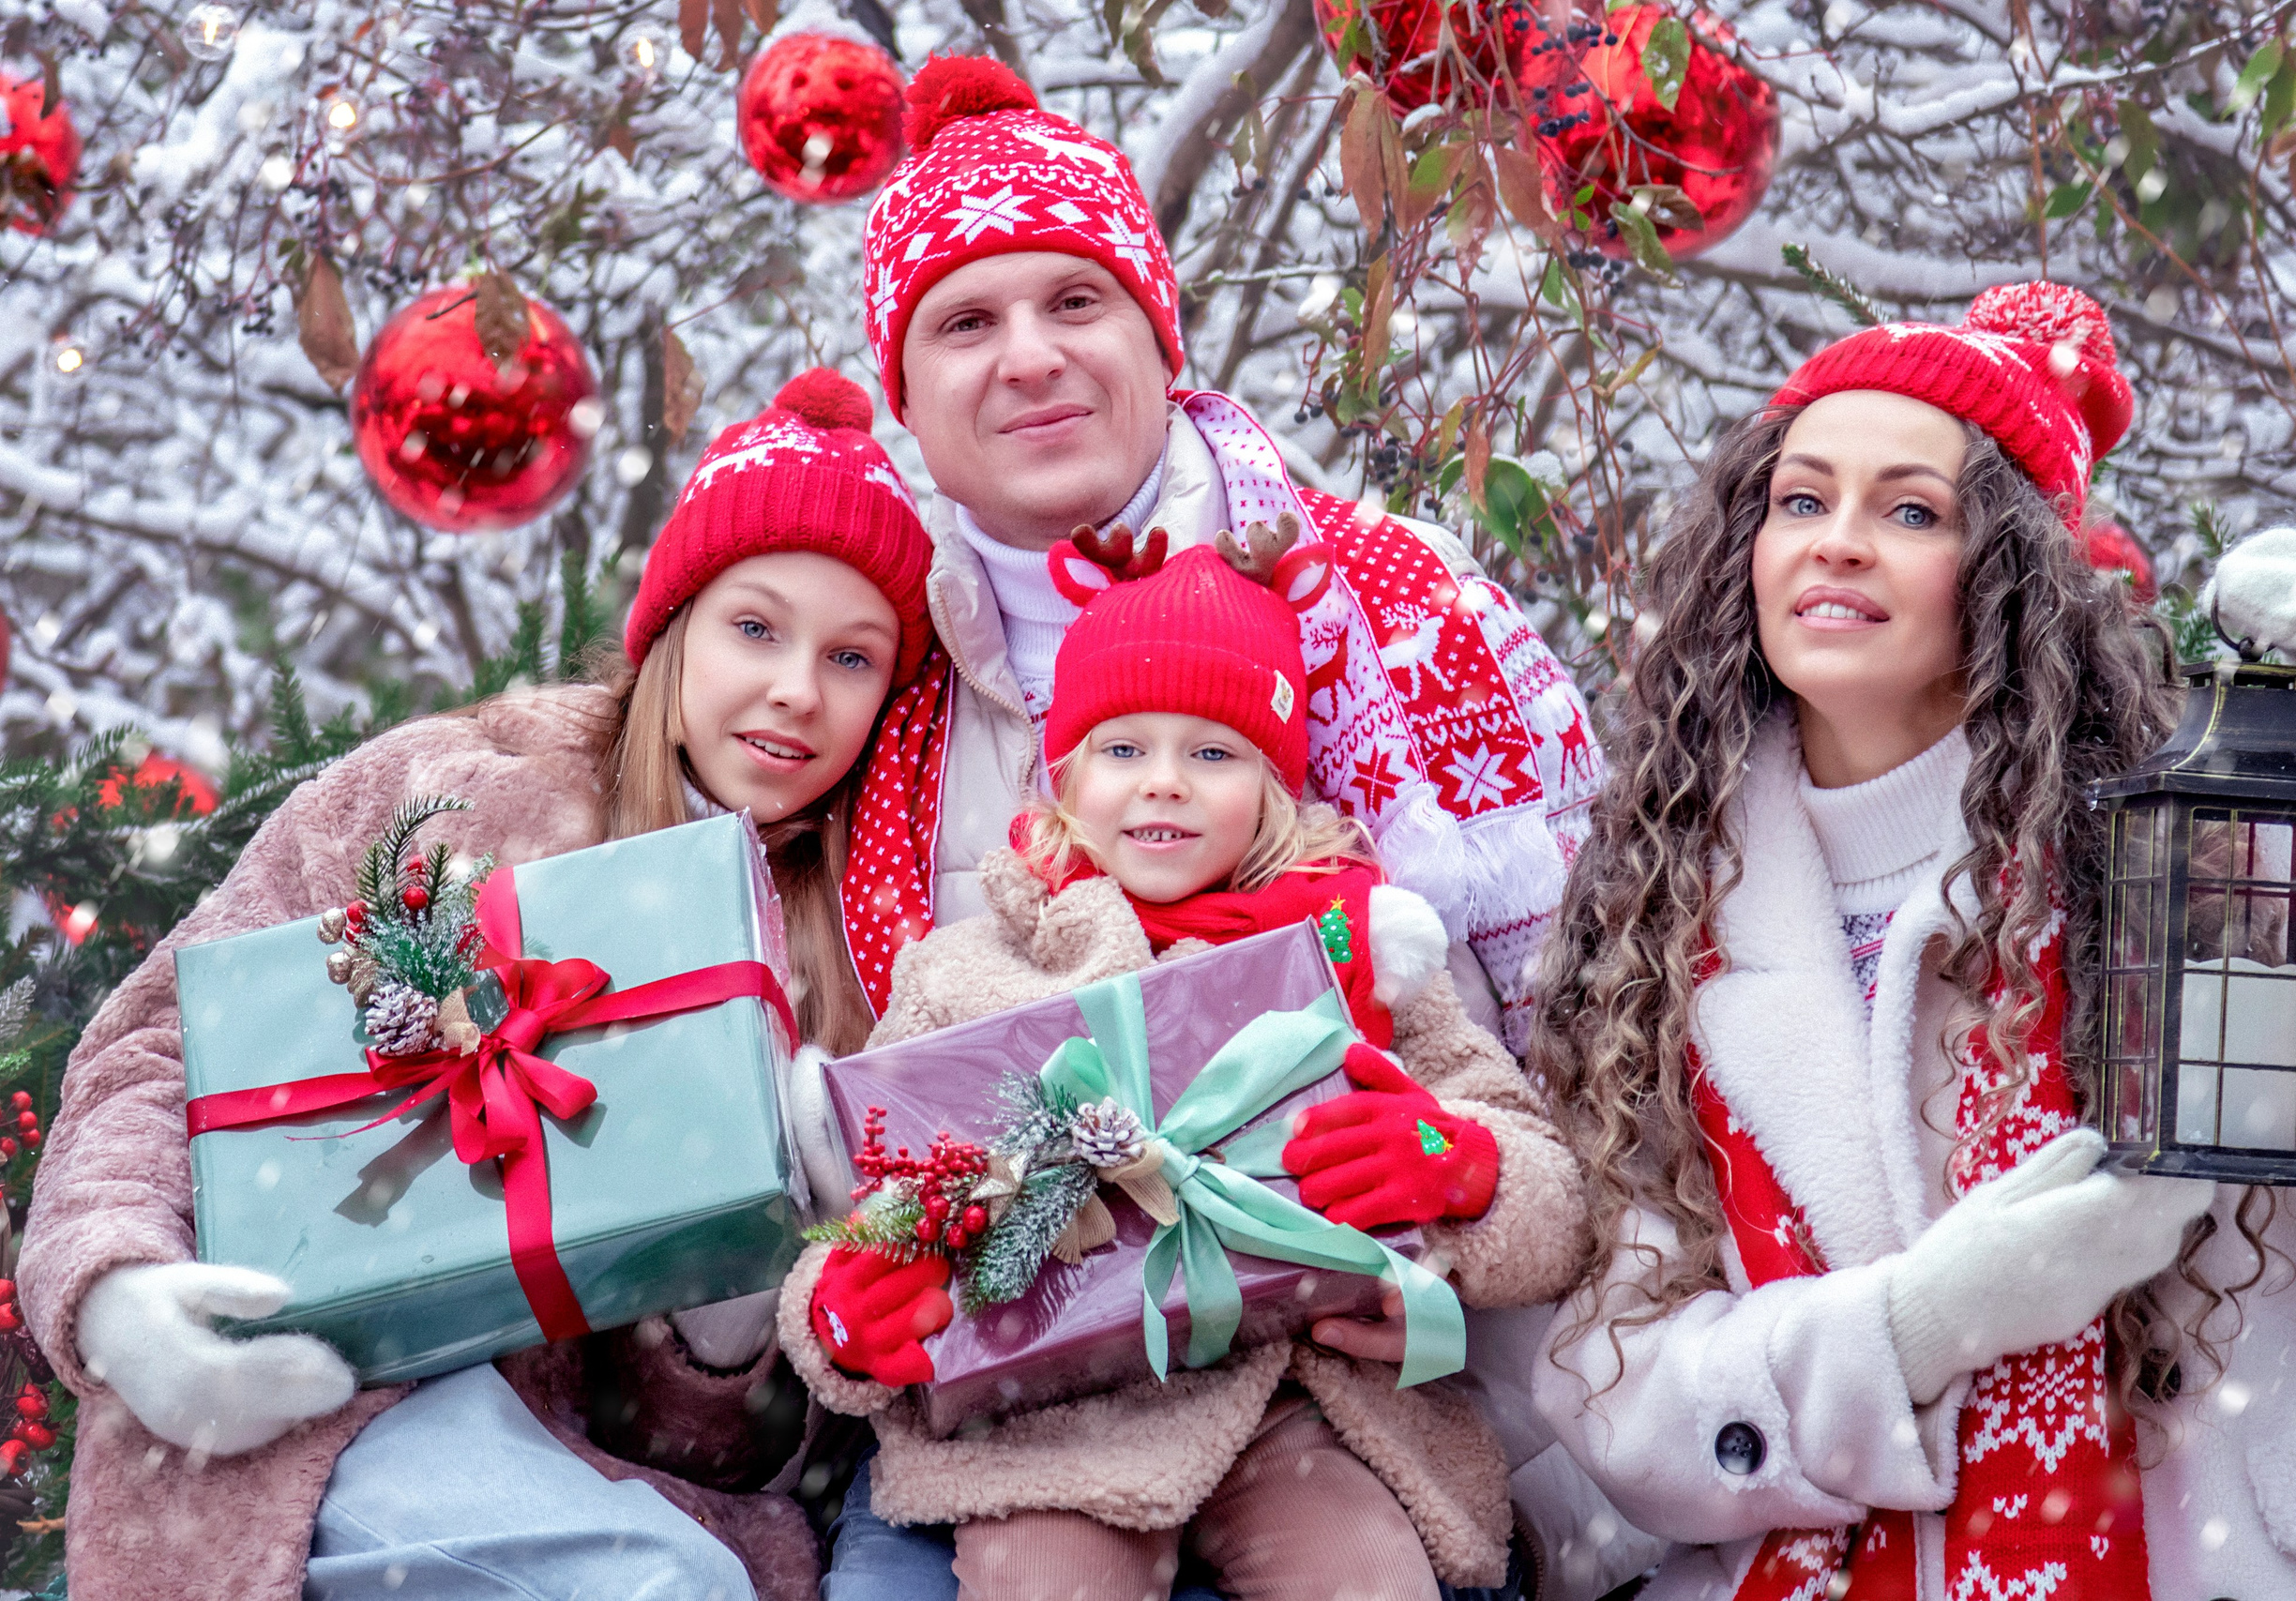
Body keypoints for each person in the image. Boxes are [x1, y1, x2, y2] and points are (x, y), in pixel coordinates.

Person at [1529, 280, 2296, 1599]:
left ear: (2006, 576)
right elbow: (1617, 1398)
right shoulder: (1657, 922)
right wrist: (1921, 1322)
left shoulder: (2188, 853)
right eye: (1801, 500)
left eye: (1910, 511)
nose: (1837, 543)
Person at [18, 370, 932, 1601]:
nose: (796, 690)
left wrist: (729, 1312)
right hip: (316, 1413)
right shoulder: (454, 789)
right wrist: (121, 1291)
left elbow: (747, 1448)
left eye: (852, 656)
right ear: (676, 626)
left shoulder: (857, 950)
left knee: (676, 1578)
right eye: (756, 628)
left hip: (608, 1491)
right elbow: (163, 1046)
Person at [779, 533, 1588, 1601]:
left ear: (1273, 786)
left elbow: (1547, 1187)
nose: (1164, 783)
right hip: (1047, 1424)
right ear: (1066, 775)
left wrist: (1462, 1166)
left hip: (1300, 1404)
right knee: (1045, 1584)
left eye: (1213, 754)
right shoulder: (967, 969)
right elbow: (872, 1204)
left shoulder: (1351, 951)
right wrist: (840, 1321)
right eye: (1123, 749)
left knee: (1368, 1577)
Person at [828, 54, 1602, 1061]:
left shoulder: (1402, 600)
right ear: (904, 395)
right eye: (966, 324)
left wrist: (1451, 1145)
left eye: (1075, 302)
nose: (1029, 359)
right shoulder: (866, 684)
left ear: (1161, 342)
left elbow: (1604, 1024)